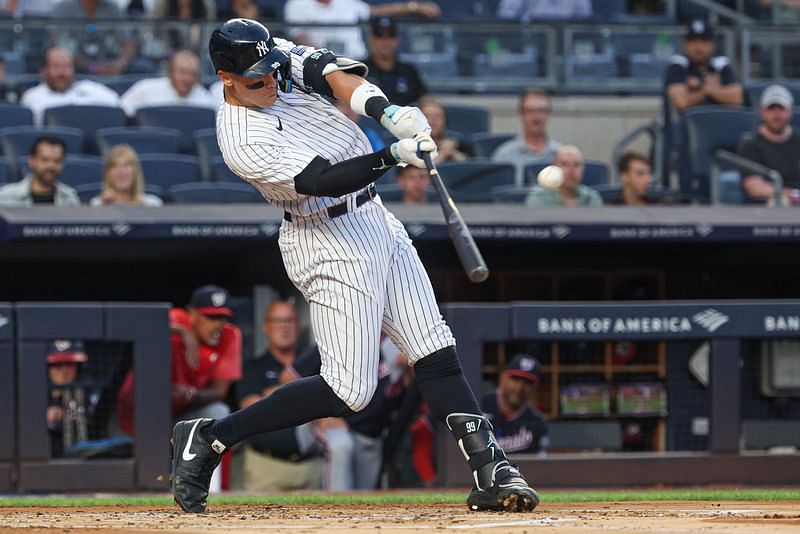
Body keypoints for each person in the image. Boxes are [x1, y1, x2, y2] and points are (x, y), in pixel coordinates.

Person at [170, 18, 538, 514]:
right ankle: (212, 435)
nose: (272, 81)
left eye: (273, 70)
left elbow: (331, 74)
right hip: (325, 237)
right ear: (225, 77)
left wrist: (389, 113)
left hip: (373, 217)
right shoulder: (240, 137)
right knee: (350, 390)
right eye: (258, 78)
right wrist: (393, 155)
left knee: (433, 346)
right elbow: (321, 180)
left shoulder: (271, 57)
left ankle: (491, 468)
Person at [235, 300, 326, 491]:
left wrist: (272, 393)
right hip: (266, 468)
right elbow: (252, 408)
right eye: (277, 321)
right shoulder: (253, 367)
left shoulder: (317, 364)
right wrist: (301, 393)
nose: (284, 327)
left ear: (298, 325)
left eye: (289, 321)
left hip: (312, 467)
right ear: (266, 327)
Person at [284, 0, 441, 60]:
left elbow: (376, 11)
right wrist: (327, 58)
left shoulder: (346, 2)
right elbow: (300, 38)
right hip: (323, 64)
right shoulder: (297, 4)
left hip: (357, 61)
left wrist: (413, 7)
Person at [20, 47, 120, 125]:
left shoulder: (89, 89)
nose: (62, 72)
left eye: (66, 66)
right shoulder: (33, 96)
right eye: (56, 66)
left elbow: (116, 104)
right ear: (44, 71)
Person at [738, 84, 800, 204]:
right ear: (762, 112)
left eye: (781, 109)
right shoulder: (750, 144)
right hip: (764, 209)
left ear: (791, 111)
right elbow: (754, 187)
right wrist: (790, 194)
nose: (776, 115)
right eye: (771, 109)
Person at [664, 19, 743, 114]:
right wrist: (709, 89)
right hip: (682, 127)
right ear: (685, 44)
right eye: (693, 41)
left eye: (704, 41)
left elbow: (736, 99)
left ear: (712, 45)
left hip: (717, 125)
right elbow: (682, 103)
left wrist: (700, 87)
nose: (698, 47)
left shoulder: (720, 64)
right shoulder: (678, 65)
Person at [481, 354, 548, 455]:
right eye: (515, 379)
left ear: (535, 387)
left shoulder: (537, 422)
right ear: (503, 378)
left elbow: (539, 465)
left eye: (527, 382)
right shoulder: (480, 405)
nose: (519, 387)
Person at [492, 89, 562, 184]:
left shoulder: (561, 155)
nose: (536, 117)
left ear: (548, 114)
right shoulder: (504, 156)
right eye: (530, 111)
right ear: (521, 114)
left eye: (541, 110)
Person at [120, 50, 216, 116]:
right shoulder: (145, 88)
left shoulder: (206, 100)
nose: (187, 78)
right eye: (182, 72)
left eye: (192, 74)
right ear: (170, 72)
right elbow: (122, 111)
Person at [362, 16, 426, 106]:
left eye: (391, 35)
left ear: (397, 40)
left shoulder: (409, 71)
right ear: (371, 39)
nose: (385, 41)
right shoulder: (361, 70)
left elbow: (423, 100)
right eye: (379, 35)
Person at [47, 340, 95, 457]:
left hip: (81, 463)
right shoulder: (33, 395)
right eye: (57, 365)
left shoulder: (87, 394)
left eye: (69, 364)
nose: (64, 371)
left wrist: (68, 415)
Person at [0, 136, 81, 206]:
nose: (51, 166)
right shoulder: (6, 197)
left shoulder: (71, 198)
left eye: (57, 161)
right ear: (31, 161)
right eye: (45, 160)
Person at [525, 145, 603, 207]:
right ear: (555, 168)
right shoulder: (539, 198)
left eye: (576, 165)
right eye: (565, 164)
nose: (571, 170)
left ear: (583, 169)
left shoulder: (591, 198)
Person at [90, 144, 163, 206]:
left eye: (126, 165)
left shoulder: (152, 204)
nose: (121, 171)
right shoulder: (98, 204)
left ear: (135, 171)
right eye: (115, 166)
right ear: (107, 173)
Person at [418, 95, 471, 163]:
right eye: (427, 116)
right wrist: (442, 155)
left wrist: (454, 153)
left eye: (438, 116)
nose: (433, 121)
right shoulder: (408, 145)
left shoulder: (460, 144)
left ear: (445, 120)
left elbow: (472, 169)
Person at [496, 0, 592, 22]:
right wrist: (523, 21)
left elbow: (586, 15)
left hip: (567, 42)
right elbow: (506, 12)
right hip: (533, 38)